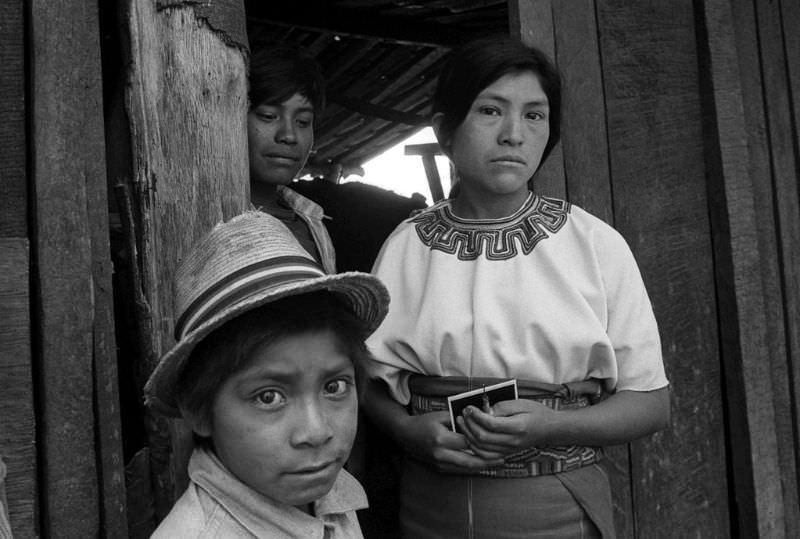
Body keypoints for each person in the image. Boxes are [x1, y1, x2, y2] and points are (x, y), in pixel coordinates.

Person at [360, 35, 670, 538]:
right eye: (489, 111)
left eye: (534, 115)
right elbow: (368, 381)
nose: (513, 134)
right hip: (428, 509)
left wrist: (555, 425)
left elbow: (652, 403)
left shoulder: (593, 244)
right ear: (445, 130)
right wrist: (404, 430)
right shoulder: (406, 246)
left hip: (557, 509)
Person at [144, 211, 389, 538]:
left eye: (334, 387)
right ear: (198, 410)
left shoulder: (331, 494)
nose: (316, 432)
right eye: (268, 397)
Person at [248, 44, 336, 273]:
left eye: (303, 122)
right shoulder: (206, 220)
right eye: (268, 116)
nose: (288, 135)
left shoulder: (312, 224)